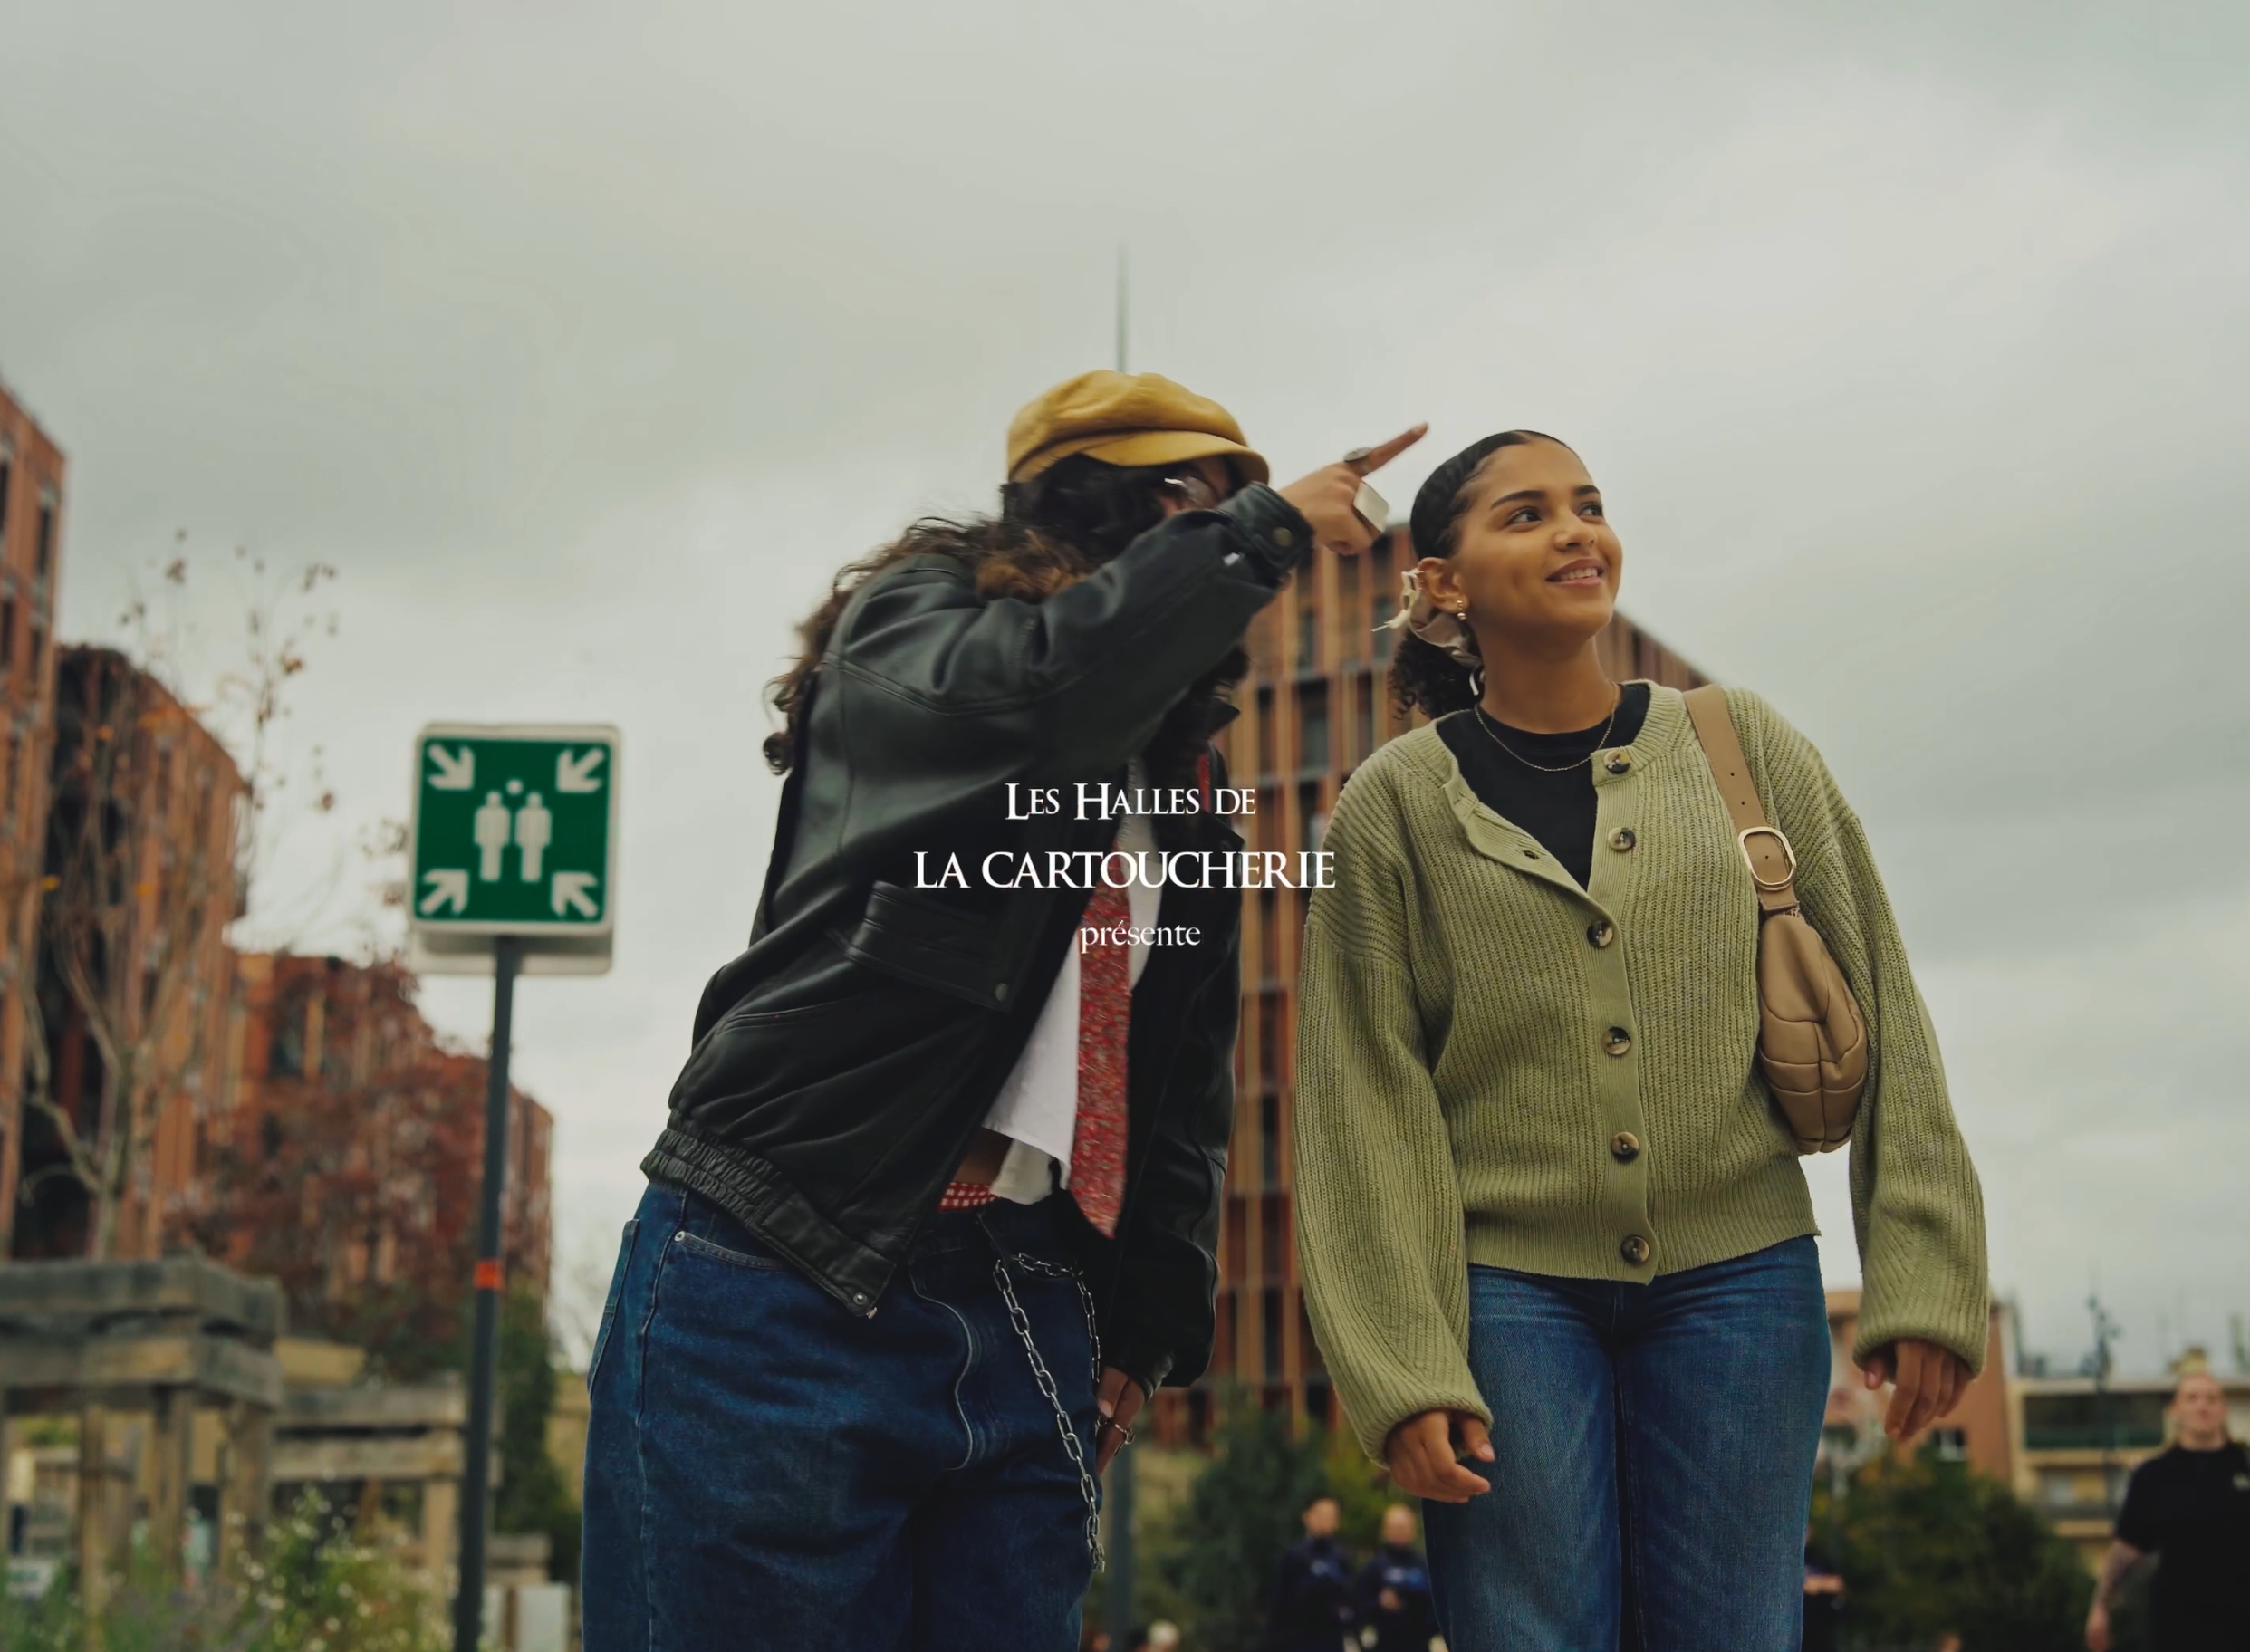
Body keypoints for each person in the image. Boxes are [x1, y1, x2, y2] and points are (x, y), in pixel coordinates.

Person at [580, 368, 1421, 1652]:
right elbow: (1032, 702)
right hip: (785, 1272)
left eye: (1235, 507)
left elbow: (1181, 1081)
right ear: (1075, 506)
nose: (1220, 535)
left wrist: (1144, 1321)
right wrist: (1264, 531)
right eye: (1189, 498)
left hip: (1027, 1299)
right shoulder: (913, 637)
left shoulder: (1182, 800)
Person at [1291, 430, 1990, 1652]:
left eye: (1590, 505)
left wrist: (1924, 1272)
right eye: (1527, 514)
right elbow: (1359, 1098)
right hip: (1503, 1299)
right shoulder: (1390, 808)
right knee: (1526, 1636)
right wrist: (1401, 1363)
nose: (1576, 531)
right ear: (1441, 581)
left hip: (1743, 1279)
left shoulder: (1742, 745)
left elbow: (1883, 989)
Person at [2088, 1370, 2250, 1652]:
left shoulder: (2245, 1466)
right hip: (2178, 1624)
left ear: (2223, 1410)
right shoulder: (2154, 1476)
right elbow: (2126, 1549)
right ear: (2175, 1411)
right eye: (2192, 1398)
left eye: (2211, 1399)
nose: (2202, 1405)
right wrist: (2100, 1607)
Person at [1270, 1494, 1357, 1652]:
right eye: (1320, 1515)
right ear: (1306, 1516)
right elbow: (1280, 1601)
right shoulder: (1294, 1556)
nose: (1325, 1521)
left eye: (1331, 1516)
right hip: (1298, 1639)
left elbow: (1351, 1597)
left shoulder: (1342, 1557)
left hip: (1331, 1639)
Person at [1355, 1503, 1438, 1651]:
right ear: (1385, 1530)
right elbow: (1358, 1605)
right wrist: (1380, 1603)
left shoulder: (1424, 1565)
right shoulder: (1373, 1567)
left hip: (1418, 1644)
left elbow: (1436, 1606)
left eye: (1403, 1527)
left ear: (1413, 1530)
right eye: (1394, 1527)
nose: (1399, 1531)